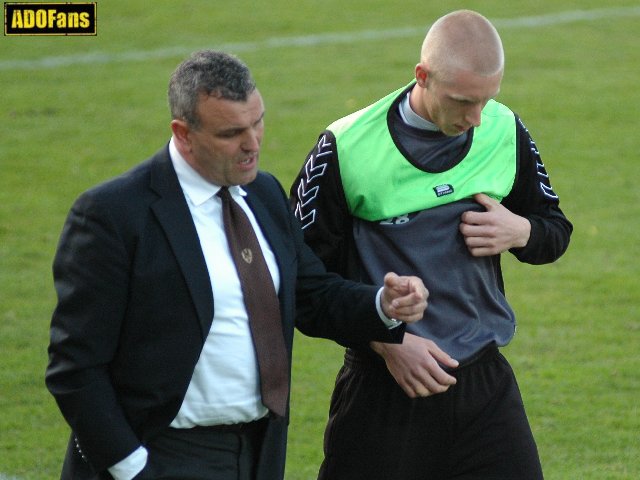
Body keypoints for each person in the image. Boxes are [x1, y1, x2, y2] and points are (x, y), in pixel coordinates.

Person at [45, 50, 430, 480]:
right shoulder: (114, 215)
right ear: (183, 133)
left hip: (257, 452)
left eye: (258, 121)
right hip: (160, 453)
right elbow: (75, 367)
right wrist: (131, 466)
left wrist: (381, 304)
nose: (253, 143)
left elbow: (311, 292)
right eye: (231, 133)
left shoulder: (263, 194)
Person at [290, 9, 573, 480]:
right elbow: (299, 282)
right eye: (463, 101)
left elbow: (554, 230)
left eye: (487, 100)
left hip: (485, 386)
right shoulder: (346, 148)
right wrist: (386, 342)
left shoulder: (503, 130)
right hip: (385, 391)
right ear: (422, 76)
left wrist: (520, 231)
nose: (475, 118)